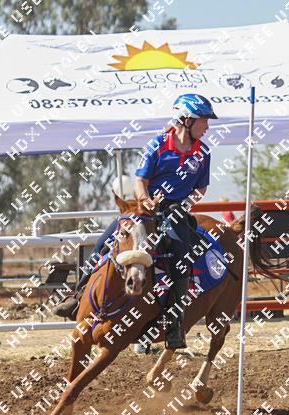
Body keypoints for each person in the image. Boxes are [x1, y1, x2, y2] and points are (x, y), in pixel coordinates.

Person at [52, 93, 216, 350]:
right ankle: (77, 296)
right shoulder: (157, 145)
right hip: (144, 209)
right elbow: (141, 180)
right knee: (102, 244)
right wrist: (145, 200)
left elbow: (201, 188)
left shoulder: (203, 153)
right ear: (187, 120)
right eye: (204, 120)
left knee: (180, 261)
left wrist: (184, 205)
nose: (207, 126)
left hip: (175, 212)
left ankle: (174, 324)